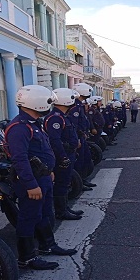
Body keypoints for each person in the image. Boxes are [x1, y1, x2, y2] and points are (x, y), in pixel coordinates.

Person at [5, 85, 77, 270]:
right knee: (29, 217)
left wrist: (49, 170)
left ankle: (47, 245)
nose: (50, 105)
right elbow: (19, 159)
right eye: (48, 102)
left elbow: (41, 151)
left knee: (45, 214)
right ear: (37, 102)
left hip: (43, 177)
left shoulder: (33, 124)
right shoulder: (19, 128)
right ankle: (27, 258)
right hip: (32, 182)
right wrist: (30, 184)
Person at [44, 88, 84, 221]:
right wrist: (63, 157)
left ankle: (65, 208)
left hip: (68, 154)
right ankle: (61, 212)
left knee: (65, 182)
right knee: (61, 183)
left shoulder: (62, 116)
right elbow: (55, 141)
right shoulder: (55, 118)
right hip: (63, 156)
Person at [69, 83, 96, 190]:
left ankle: (82, 180)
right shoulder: (75, 106)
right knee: (79, 161)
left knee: (85, 158)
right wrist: (78, 138)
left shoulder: (79, 105)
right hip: (78, 137)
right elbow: (74, 125)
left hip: (82, 135)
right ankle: (79, 182)